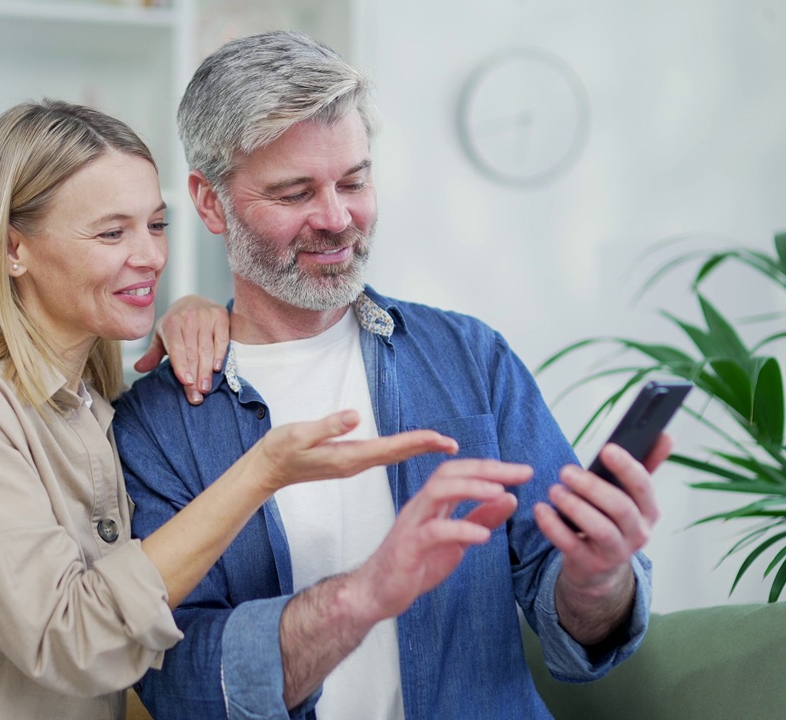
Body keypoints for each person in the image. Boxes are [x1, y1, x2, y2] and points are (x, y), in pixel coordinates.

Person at [0, 99, 463, 720]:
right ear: (15, 249)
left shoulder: (89, 406)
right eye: (111, 231)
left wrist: (193, 315)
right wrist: (262, 470)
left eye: (156, 224)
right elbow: (70, 637)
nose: (150, 255)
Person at [114, 31, 672, 720]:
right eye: (294, 193)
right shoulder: (156, 425)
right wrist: (362, 596)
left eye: (354, 180)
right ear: (209, 204)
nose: (337, 217)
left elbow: (573, 613)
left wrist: (598, 578)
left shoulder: (470, 358)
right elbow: (179, 682)